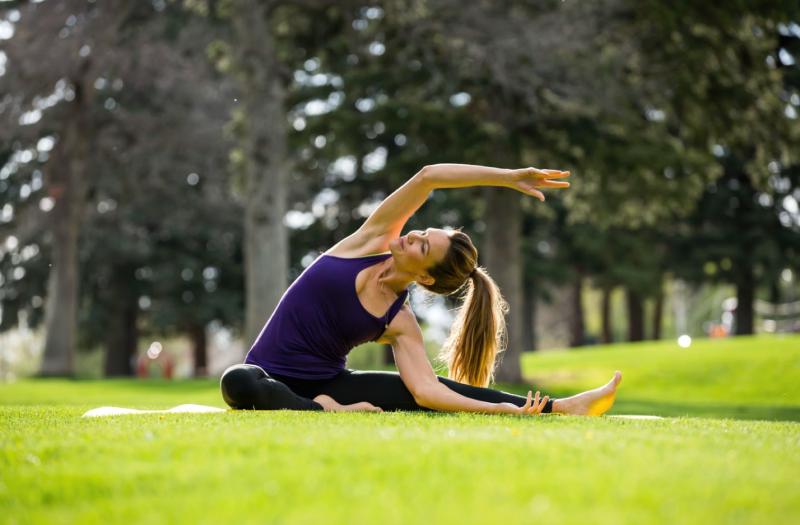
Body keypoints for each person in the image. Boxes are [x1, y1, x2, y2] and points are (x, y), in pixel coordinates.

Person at [220, 163, 622, 415]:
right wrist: (506, 178)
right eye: (422, 232)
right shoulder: (367, 242)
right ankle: (322, 412)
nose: (412, 235)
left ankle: (560, 407)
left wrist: (505, 409)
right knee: (236, 382)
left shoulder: (400, 320)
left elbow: (429, 392)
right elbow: (428, 177)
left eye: (422, 246)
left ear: (426, 278)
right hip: (266, 376)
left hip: (328, 383)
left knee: (420, 390)